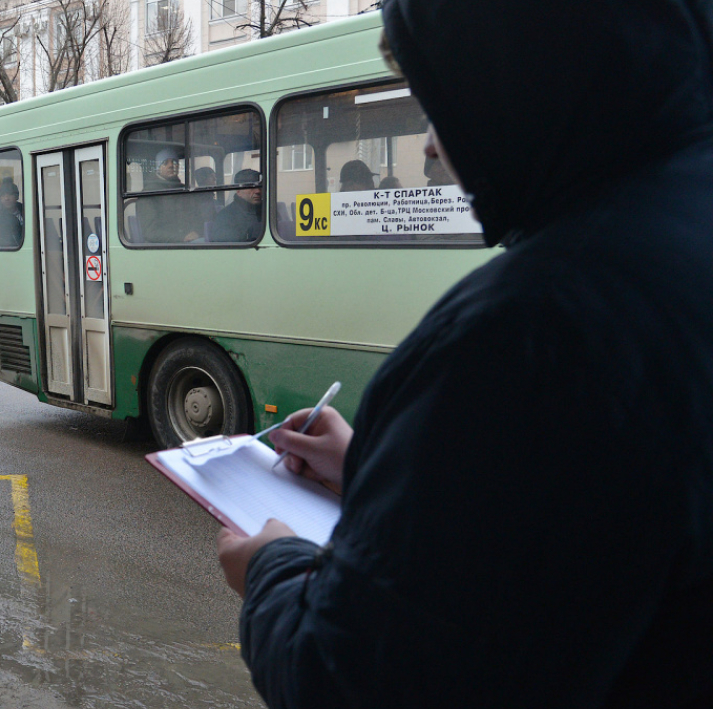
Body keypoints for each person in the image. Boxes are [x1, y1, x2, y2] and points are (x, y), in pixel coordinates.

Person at [217, 1, 713, 707]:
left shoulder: (531, 333)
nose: (428, 146)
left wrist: (270, 566)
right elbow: (572, 528)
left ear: (519, 81)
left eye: (440, 102)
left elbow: (354, 676)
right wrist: (369, 468)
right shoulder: (674, 222)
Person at [138, 149, 202, 243]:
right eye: (165, 162)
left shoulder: (184, 190)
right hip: (162, 246)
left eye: (174, 162)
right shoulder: (148, 193)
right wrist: (181, 238)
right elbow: (150, 232)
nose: (171, 165)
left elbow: (197, 216)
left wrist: (198, 232)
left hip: (188, 241)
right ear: (158, 168)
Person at [210, 168, 263, 242]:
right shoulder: (226, 216)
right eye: (252, 187)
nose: (258, 191)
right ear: (238, 191)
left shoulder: (268, 212)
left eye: (260, 187)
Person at [0, 177, 24, 248]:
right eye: (3, 196)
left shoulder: (26, 211)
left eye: (10, 194)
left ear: (17, 196)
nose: (6, 198)